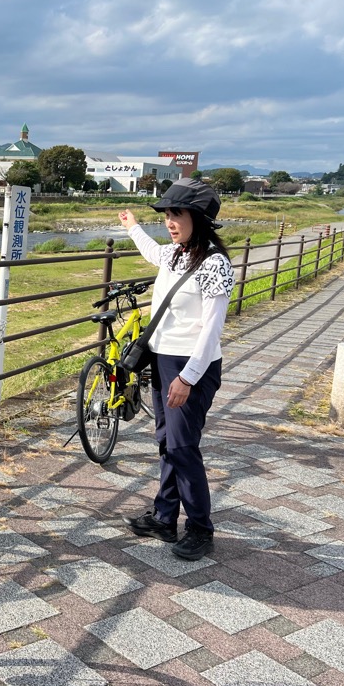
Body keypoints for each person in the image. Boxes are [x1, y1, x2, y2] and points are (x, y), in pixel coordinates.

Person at [117, 178, 234, 560]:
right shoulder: (174, 254)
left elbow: (212, 329)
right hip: (164, 359)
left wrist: (188, 377)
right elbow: (152, 253)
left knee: (183, 447)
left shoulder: (214, 263)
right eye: (167, 214)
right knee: (167, 442)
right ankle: (166, 517)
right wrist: (132, 226)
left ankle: (200, 528)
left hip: (191, 365)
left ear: (198, 218)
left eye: (177, 214)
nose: (170, 221)